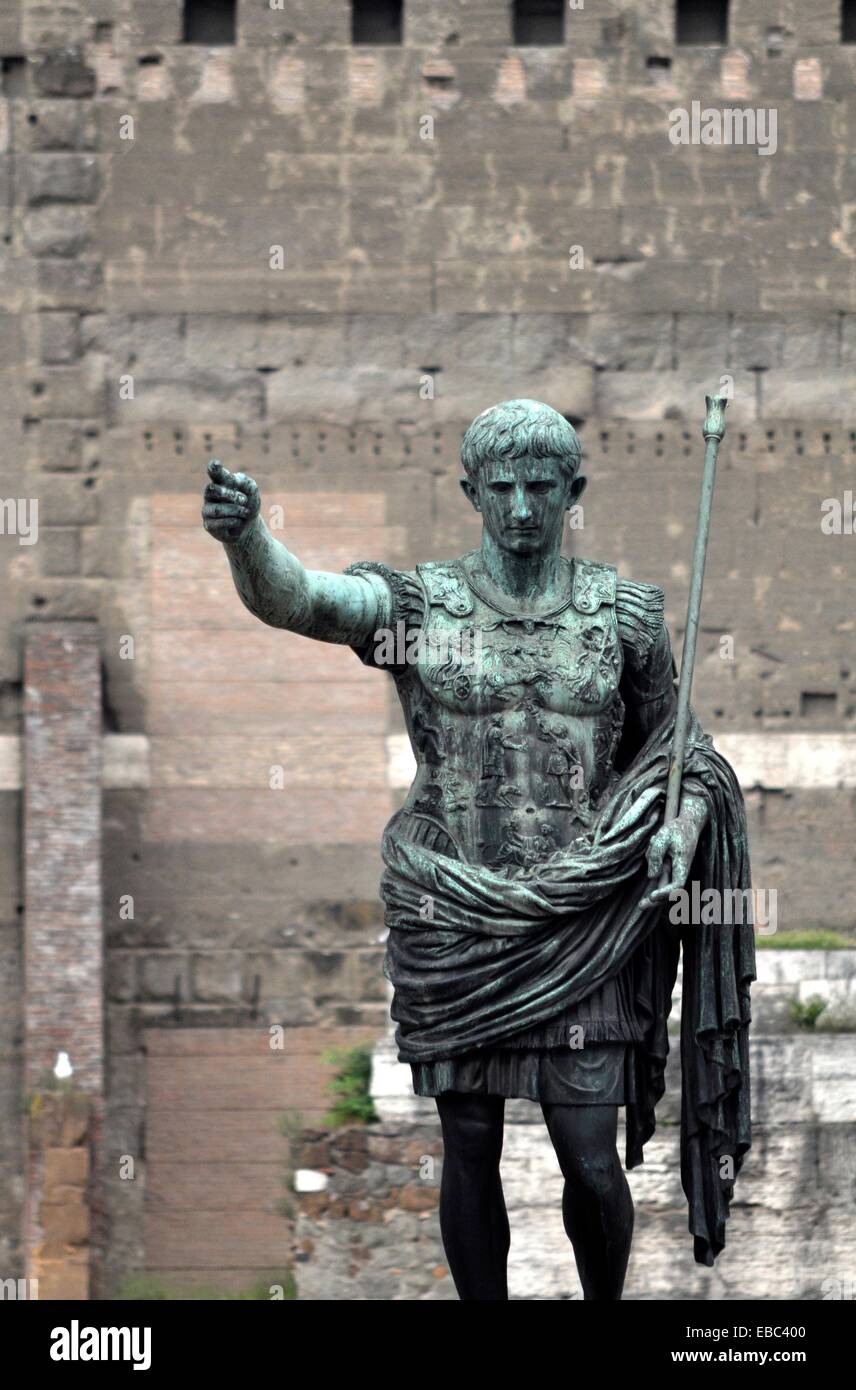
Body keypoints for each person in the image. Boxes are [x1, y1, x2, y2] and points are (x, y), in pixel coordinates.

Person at [202, 398, 754, 1300]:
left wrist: (684, 826)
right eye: (502, 488)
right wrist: (246, 538)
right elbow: (304, 600)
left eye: (542, 488)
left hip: (585, 921)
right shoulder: (420, 608)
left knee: (589, 1156)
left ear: (573, 491)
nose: (523, 508)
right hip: (452, 911)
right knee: (468, 1140)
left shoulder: (625, 617)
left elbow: (683, 754)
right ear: (472, 493)